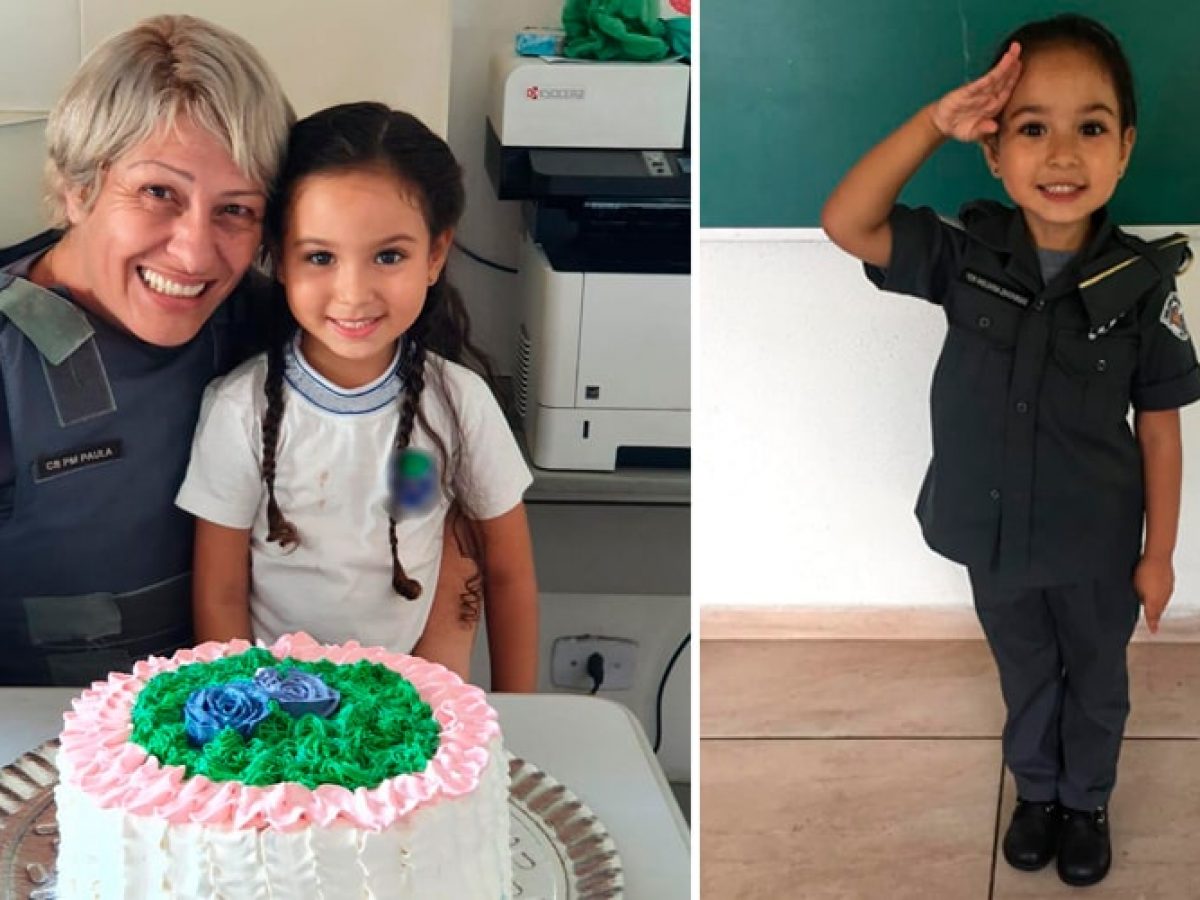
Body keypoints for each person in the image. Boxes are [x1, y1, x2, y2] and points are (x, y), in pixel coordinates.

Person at [822, 14, 1200, 889]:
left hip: (1099, 546)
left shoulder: (1144, 288)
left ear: (1125, 148)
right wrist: (931, 124)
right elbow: (847, 220)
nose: (1062, 155)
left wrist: (1160, 555)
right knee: (1027, 670)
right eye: (1033, 127)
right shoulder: (966, 255)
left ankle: (1087, 800)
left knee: (1096, 679)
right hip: (995, 539)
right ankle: (1036, 791)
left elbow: (1162, 431)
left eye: (1091, 128)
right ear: (994, 151)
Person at [175, 102, 539, 691]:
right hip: (278, 717)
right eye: (320, 257)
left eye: (388, 256)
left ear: (436, 255)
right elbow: (220, 592)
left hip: (411, 709)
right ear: (279, 259)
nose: (353, 293)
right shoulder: (240, 409)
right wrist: (244, 716)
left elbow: (508, 573)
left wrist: (523, 715)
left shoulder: (462, 404)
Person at [0, 15, 293, 686]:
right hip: (44, 751)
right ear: (78, 189)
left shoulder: (270, 327)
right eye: (159, 192)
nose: (193, 252)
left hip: (249, 735)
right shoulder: (8, 368)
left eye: (236, 209)